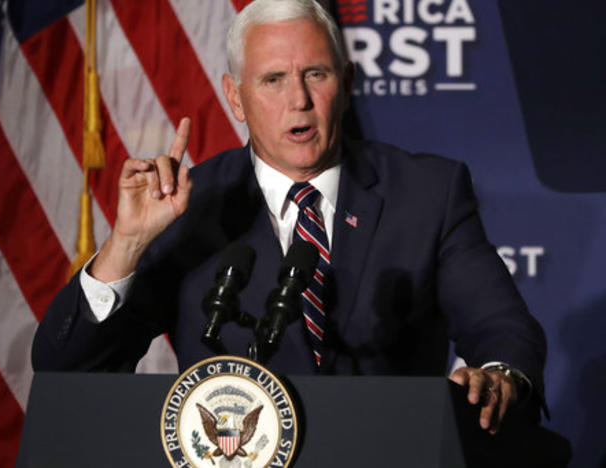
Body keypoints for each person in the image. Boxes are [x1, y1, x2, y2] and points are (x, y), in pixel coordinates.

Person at [32, 0, 546, 435]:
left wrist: (499, 376)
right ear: (235, 97)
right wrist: (126, 245)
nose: (298, 101)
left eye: (315, 75)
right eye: (273, 80)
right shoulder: (191, 204)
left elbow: (501, 327)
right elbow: (67, 371)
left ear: (345, 82)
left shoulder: (427, 192)